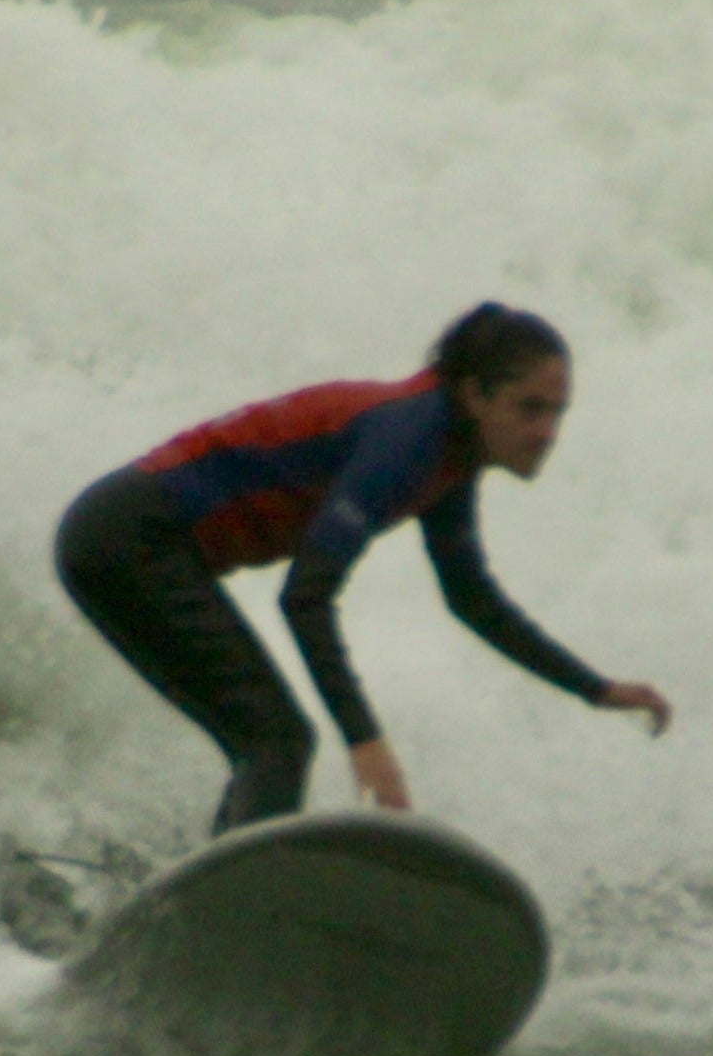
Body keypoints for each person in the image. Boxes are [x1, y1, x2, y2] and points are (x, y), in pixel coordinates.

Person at [54, 302, 675, 836]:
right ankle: (234, 913)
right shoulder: (407, 443)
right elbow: (306, 598)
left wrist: (595, 689)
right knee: (278, 740)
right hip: (129, 537)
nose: (547, 433)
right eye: (530, 408)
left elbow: (472, 599)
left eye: (558, 412)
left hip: (135, 541)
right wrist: (365, 740)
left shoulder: (451, 457)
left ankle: (214, 898)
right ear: (473, 394)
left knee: (267, 742)